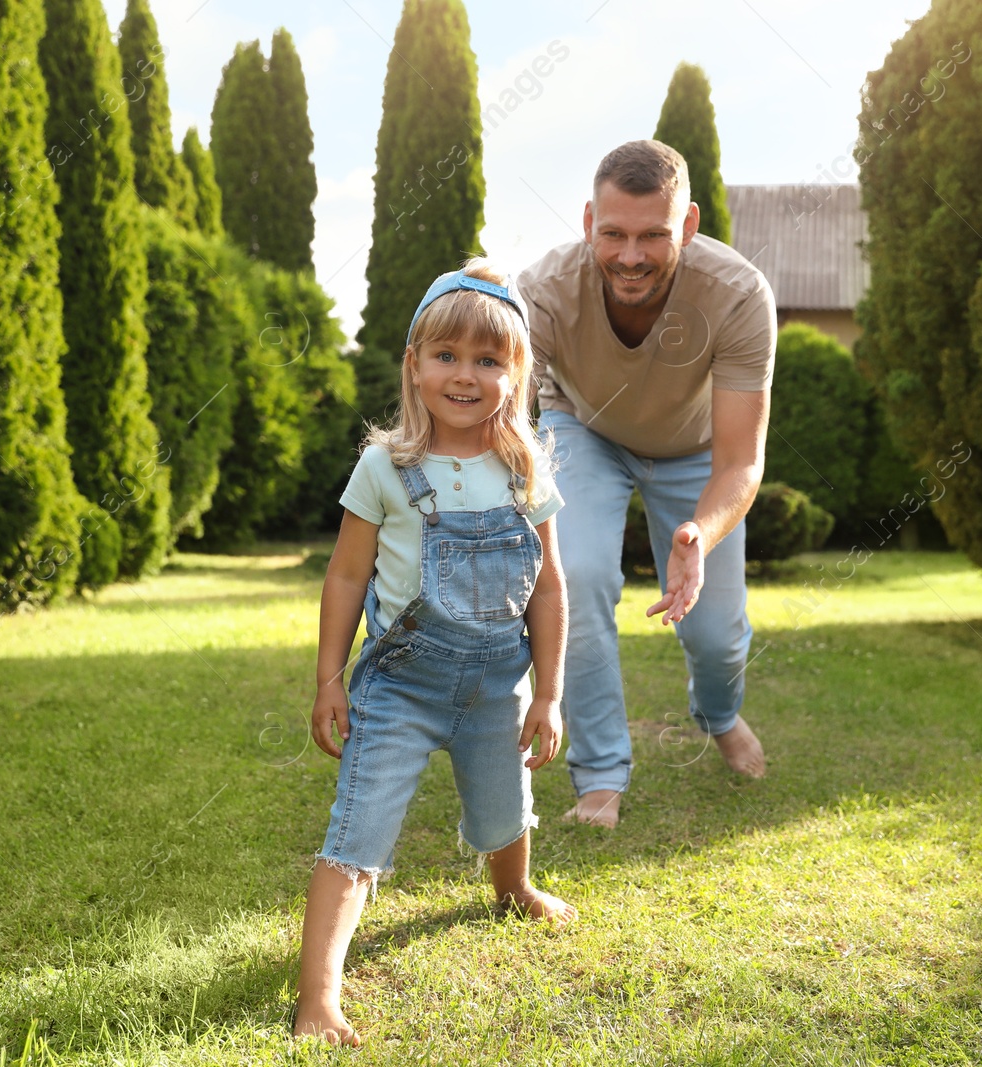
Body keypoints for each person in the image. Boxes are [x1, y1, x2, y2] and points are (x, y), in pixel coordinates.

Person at [292, 258, 577, 1046]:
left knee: (504, 807)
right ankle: (319, 996)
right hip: (400, 689)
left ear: (515, 375)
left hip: (496, 687)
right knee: (359, 829)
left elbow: (549, 588)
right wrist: (328, 678)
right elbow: (347, 574)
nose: (465, 374)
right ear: (414, 365)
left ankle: (513, 887)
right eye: (446, 355)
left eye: (489, 360)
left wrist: (548, 693)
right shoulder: (386, 466)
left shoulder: (526, 469)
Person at [518, 140, 776, 830]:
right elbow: (506, 420)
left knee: (719, 637)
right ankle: (600, 775)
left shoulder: (739, 295)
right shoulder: (541, 290)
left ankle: (718, 712)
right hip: (584, 431)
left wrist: (699, 531)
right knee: (575, 574)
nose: (630, 255)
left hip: (696, 454)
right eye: (614, 234)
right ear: (588, 222)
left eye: (653, 235)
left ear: (687, 227)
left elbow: (740, 461)